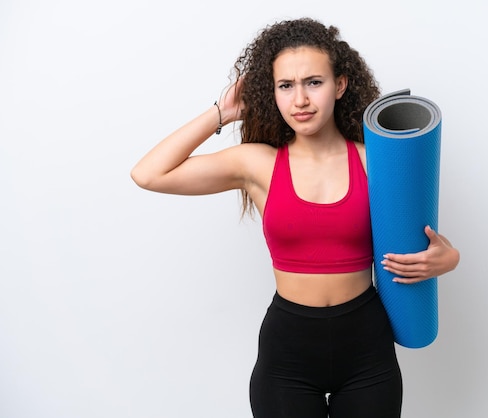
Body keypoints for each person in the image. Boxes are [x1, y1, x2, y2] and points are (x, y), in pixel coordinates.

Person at [131, 17, 459, 418]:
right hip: (288, 354)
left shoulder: (376, 161)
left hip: (367, 350)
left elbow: (417, 239)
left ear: (340, 85)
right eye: (286, 85)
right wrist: (223, 111)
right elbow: (149, 174)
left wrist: (449, 259)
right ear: (272, 92)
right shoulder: (258, 164)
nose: (300, 100)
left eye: (314, 82)